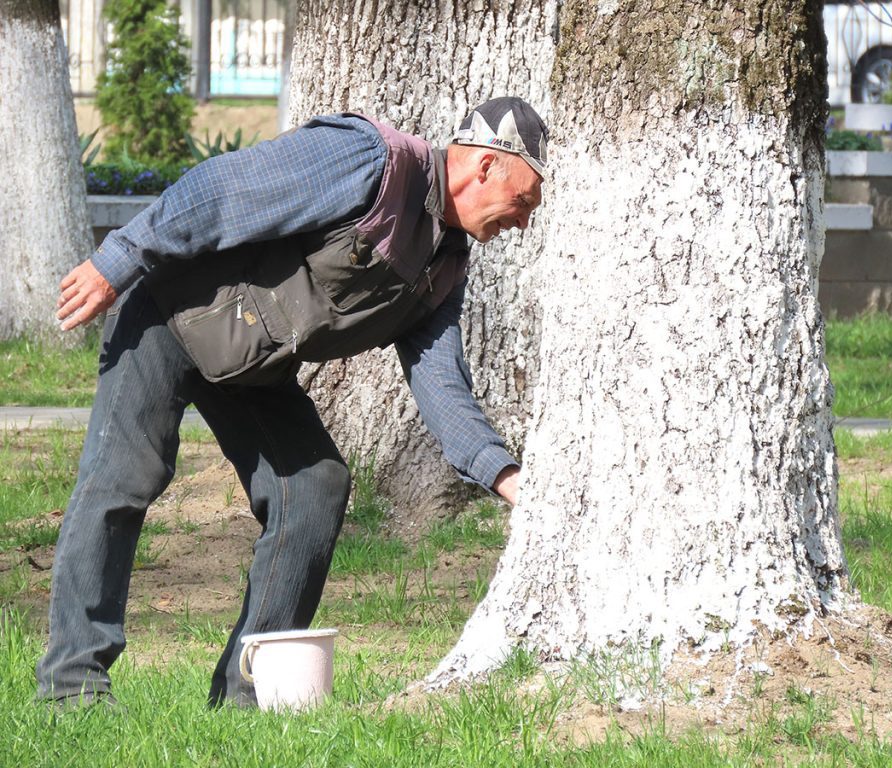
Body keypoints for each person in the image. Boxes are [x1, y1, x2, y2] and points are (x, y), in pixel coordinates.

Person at [36, 96, 548, 708]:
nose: (524, 223)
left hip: (248, 365)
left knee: (313, 488)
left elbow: (442, 387)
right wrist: (115, 260)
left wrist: (510, 480)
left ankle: (246, 695)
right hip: (169, 313)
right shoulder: (372, 162)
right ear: (487, 165)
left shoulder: (444, 265)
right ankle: (72, 687)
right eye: (524, 200)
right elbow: (219, 189)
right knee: (121, 479)